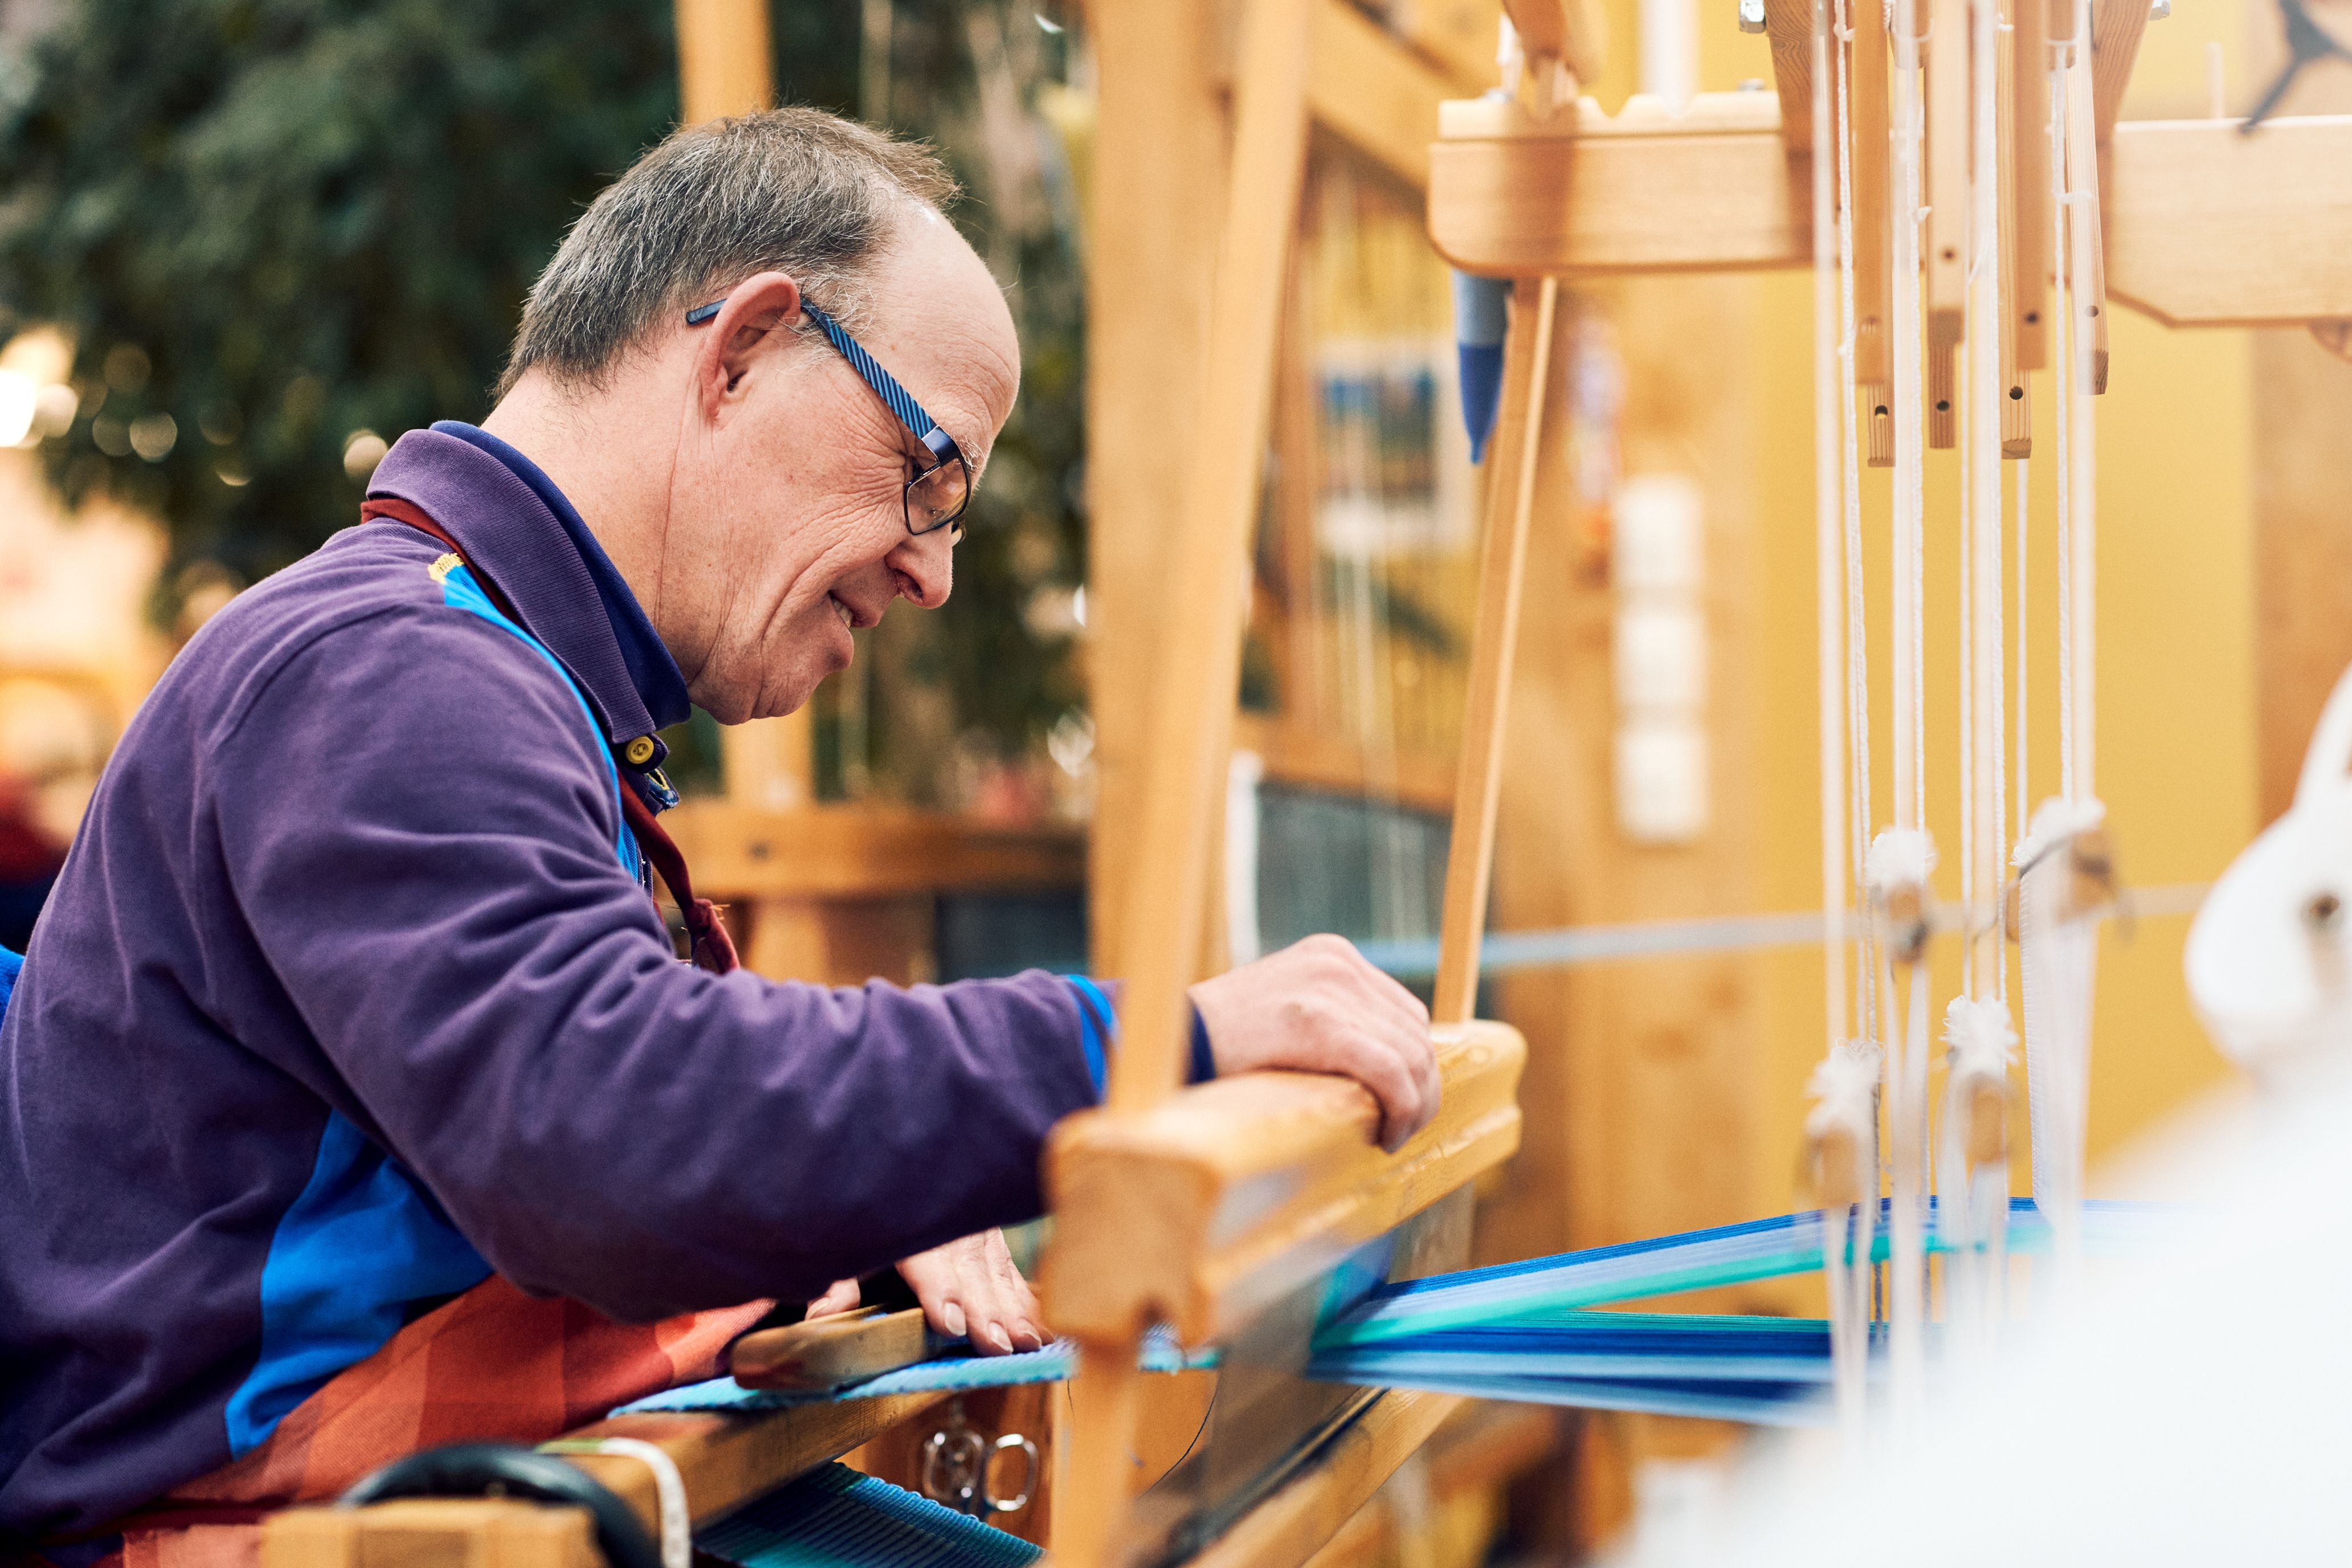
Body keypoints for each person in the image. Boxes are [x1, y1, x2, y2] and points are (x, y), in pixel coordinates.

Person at [0, 109, 1439, 1554]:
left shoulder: (495, 682)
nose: (934, 569)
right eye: (929, 473)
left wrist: (852, 1197)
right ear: (743, 345)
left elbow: (608, 1095)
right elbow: (605, 1132)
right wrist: (1151, 1048)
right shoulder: (389, 673)